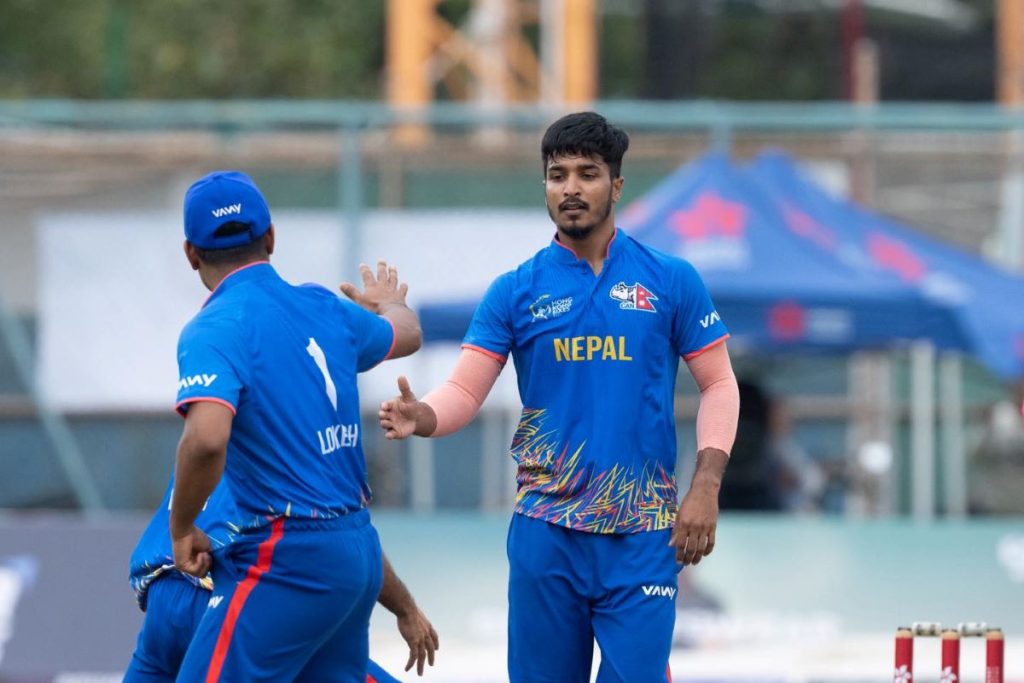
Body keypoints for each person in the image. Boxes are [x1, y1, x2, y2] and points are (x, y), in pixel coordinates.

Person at [378, 112, 740, 682]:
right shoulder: (515, 291)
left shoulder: (671, 279)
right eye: (557, 175)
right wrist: (421, 414)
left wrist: (706, 486)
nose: (570, 187)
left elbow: (719, 383)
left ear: (616, 186)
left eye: (587, 173)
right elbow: (465, 389)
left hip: (643, 532)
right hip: (546, 533)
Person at [168, 170, 423, 682]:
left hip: (288, 559)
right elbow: (408, 333)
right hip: (357, 552)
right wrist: (390, 303)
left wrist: (181, 527)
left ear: (191, 254)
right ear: (270, 237)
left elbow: (208, 438)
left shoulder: (215, 326)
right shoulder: (325, 306)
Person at [125, 475, 438, 682]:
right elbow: (346, 531)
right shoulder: (304, 433)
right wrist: (405, 609)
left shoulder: (219, 412)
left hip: (160, 597)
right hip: (224, 595)